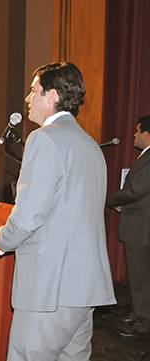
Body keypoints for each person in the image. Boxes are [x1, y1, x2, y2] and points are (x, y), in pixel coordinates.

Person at [0, 62, 116, 361]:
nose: (27, 99)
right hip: (84, 286)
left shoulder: (45, 139)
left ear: (52, 96)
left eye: (33, 91)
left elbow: (29, 215)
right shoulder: (90, 145)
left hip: (50, 289)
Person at [106, 115, 150, 338]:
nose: (134, 135)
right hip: (139, 224)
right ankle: (140, 313)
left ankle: (143, 324)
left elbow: (135, 191)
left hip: (141, 229)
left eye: (137, 131)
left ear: (147, 134)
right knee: (141, 276)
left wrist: (109, 200)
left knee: (140, 277)